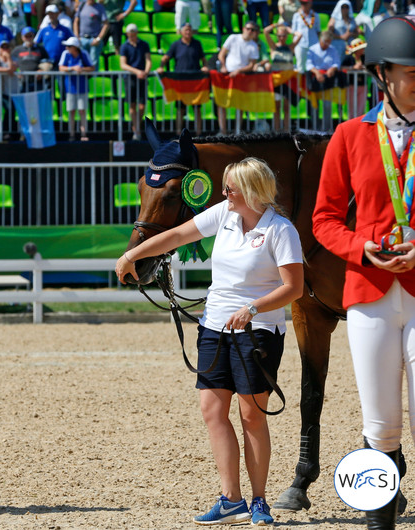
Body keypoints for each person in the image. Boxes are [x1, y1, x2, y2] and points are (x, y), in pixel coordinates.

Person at [115, 156, 303, 527]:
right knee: (213, 412)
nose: (223, 193)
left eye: (230, 188)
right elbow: (178, 235)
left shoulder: (281, 230)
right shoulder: (225, 214)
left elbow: (292, 288)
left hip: (258, 331)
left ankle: (260, 500)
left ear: (251, 191)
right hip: (214, 327)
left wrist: (252, 307)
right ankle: (230, 499)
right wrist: (132, 254)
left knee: (251, 416)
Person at [312, 15, 415, 529]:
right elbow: (324, 219)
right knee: (381, 427)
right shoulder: (350, 135)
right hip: (369, 291)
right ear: (383, 75)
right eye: (411, 72)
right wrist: (361, 247)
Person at [157, 22, 208, 136]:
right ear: (181, 32)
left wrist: (205, 67)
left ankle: (199, 134)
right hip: (180, 83)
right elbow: (166, 58)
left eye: (190, 30)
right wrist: (161, 67)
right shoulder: (175, 45)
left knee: (197, 109)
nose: (188, 32)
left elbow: (204, 59)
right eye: (186, 30)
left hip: (195, 82)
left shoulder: (197, 44)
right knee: (180, 109)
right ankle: (178, 133)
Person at [216, 22, 261, 135]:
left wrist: (239, 71)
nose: (250, 31)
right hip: (227, 75)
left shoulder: (254, 45)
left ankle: (237, 132)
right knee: (222, 103)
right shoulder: (233, 38)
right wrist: (223, 66)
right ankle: (223, 132)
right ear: (243, 28)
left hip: (241, 76)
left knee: (239, 105)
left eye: (253, 30)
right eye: (248, 29)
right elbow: (221, 54)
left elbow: (252, 65)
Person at [264, 23, 301, 132]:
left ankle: (286, 130)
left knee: (286, 107)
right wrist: (277, 24)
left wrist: (289, 30)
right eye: (279, 35)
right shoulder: (273, 47)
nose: (281, 38)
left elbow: (299, 35)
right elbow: (266, 31)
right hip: (277, 80)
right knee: (277, 108)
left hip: (288, 80)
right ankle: (276, 130)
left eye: (284, 35)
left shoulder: (290, 47)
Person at [306, 29, 344, 131]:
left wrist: (333, 68)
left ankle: (326, 129)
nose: (327, 44)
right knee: (314, 106)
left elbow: (337, 62)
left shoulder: (333, 49)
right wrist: (317, 72)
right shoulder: (312, 49)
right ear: (320, 40)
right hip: (315, 79)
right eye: (326, 41)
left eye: (329, 42)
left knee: (327, 105)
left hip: (328, 80)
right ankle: (315, 128)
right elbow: (308, 64)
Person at [58, 36, 93, 141]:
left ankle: (83, 134)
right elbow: (61, 68)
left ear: (75, 47)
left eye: (69, 46)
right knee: (71, 111)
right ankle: (72, 134)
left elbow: (92, 67)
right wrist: (72, 68)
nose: (67, 48)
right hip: (70, 87)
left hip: (82, 87)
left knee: (82, 111)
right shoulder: (65, 54)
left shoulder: (84, 54)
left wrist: (82, 69)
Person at [120, 23, 151, 141]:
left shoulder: (144, 45)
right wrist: (137, 72)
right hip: (131, 78)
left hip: (142, 77)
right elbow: (123, 65)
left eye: (134, 33)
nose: (132, 35)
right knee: (132, 104)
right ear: (128, 34)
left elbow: (148, 60)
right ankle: (136, 128)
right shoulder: (124, 46)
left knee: (142, 105)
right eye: (130, 33)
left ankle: (137, 126)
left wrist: (145, 72)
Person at [0, 39, 21, 141]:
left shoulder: (14, 58)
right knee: (8, 109)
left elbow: (13, 68)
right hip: (2, 91)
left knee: (12, 111)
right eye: (3, 47)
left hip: (14, 91)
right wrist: (7, 70)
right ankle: (5, 132)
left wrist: (8, 58)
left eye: (7, 47)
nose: (5, 49)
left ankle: (11, 132)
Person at [11, 26, 51, 92]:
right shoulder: (17, 50)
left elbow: (47, 62)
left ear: (34, 36)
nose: (28, 38)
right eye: (26, 36)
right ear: (22, 38)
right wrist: (17, 72)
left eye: (30, 36)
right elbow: (12, 62)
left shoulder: (40, 49)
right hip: (22, 82)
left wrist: (42, 70)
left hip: (38, 82)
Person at [73, 0, 108, 71]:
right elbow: (76, 22)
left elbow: (106, 24)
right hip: (82, 39)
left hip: (94, 39)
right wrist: (77, 37)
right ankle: (84, 81)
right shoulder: (82, 5)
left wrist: (98, 39)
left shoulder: (100, 7)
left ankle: (94, 81)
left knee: (93, 62)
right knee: (82, 62)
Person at [291, 0, 320, 72]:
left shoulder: (316, 15)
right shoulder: (296, 15)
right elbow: (293, 31)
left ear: (310, 3)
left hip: (313, 45)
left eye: (305, 3)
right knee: (300, 67)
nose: (303, 5)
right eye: (302, 3)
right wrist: (294, 45)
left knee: (314, 66)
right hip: (300, 45)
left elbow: (318, 31)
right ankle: (300, 83)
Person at [328, 0, 358, 65]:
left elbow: (357, 33)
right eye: (343, 7)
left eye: (347, 7)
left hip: (350, 48)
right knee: (338, 65)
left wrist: (351, 34)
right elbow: (329, 34)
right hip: (338, 47)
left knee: (351, 65)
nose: (345, 9)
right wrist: (342, 37)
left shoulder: (352, 19)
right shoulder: (334, 19)